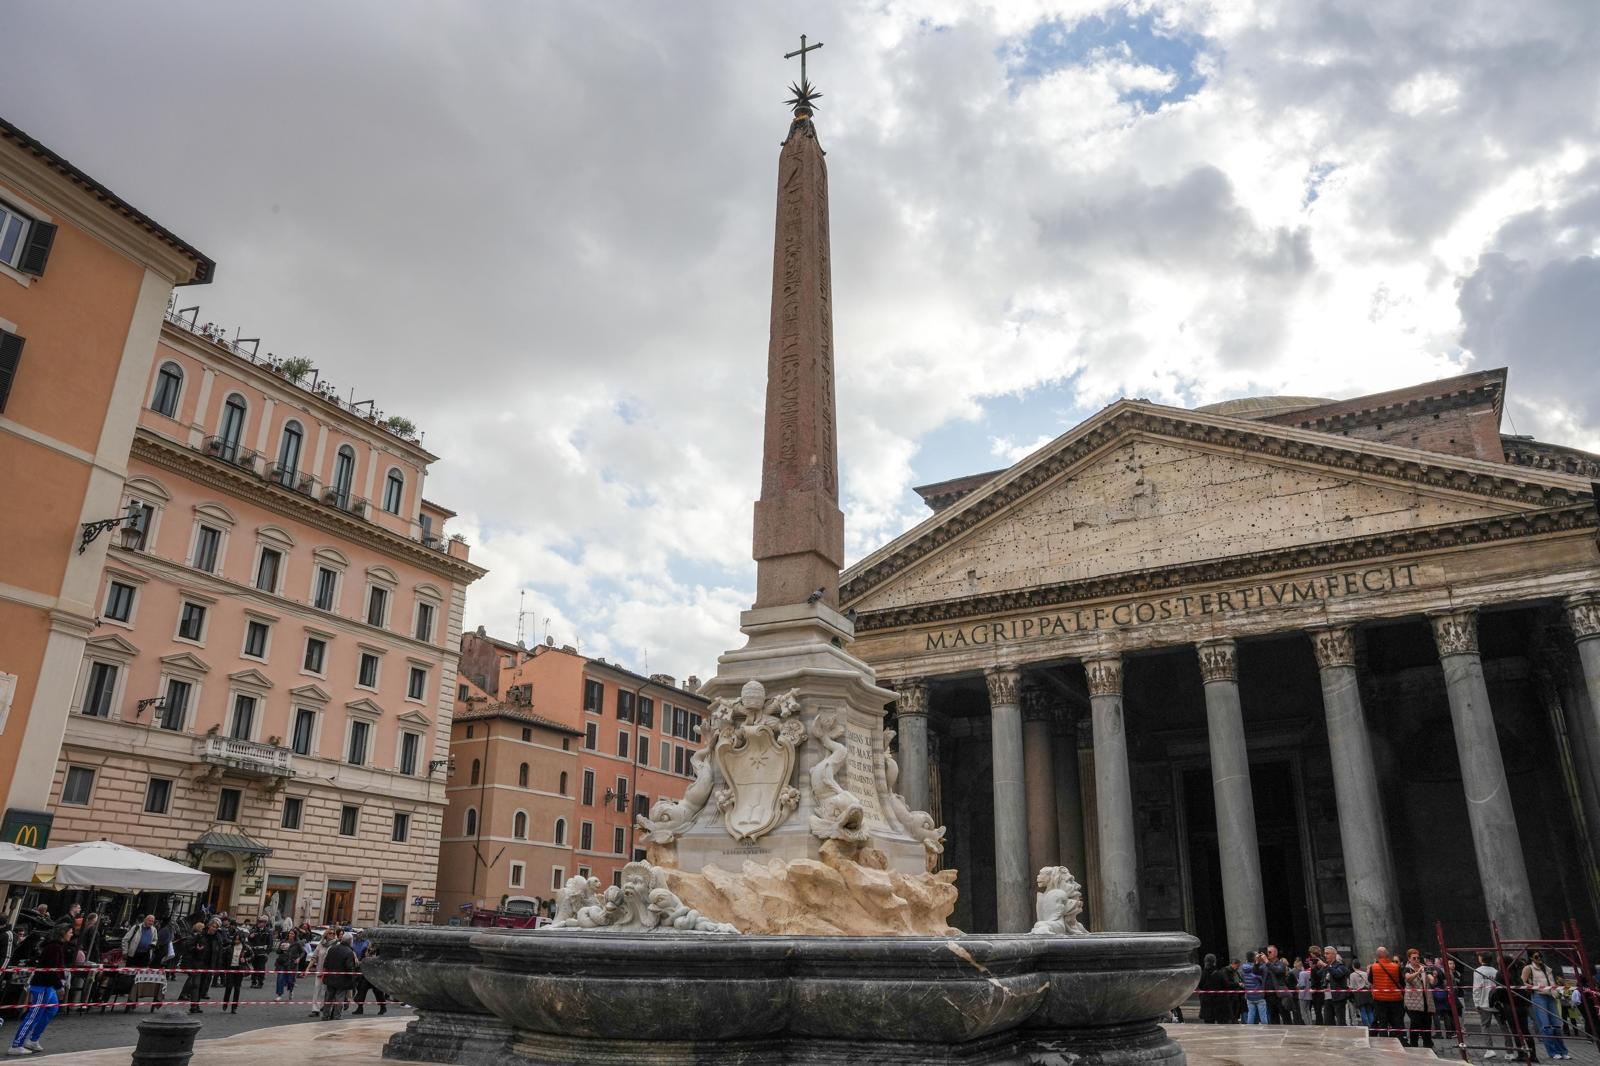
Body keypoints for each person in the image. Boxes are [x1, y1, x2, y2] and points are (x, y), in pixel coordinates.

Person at [10, 925, 69, 1055]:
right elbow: (52, 968)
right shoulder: (54, 947)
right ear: (62, 933)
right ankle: (16, 1044)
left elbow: (58, 966)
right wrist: (60, 985)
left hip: (48, 985)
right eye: (69, 932)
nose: (71, 934)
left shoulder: (56, 946)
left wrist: (61, 982)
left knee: (52, 1008)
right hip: (42, 985)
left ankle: (32, 1039)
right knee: (34, 1014)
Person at [1522, 949, 1570, 1060]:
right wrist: (1534, 986)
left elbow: (1553, 981)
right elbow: (1522, 982)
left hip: (1551, 996)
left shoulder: (1547, 968)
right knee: (1546, 1026)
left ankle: (1563, 1051)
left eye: (1540, 956)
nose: (1539, 958)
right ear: (1531, 958)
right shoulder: (1528, 968)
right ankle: (1553, 1052)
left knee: (1557, 1025)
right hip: (1539, 996)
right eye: (1536, 956)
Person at [1368, 946, 1405, 1042]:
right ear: (1388, 955)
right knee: (1396, 1022)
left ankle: (1384, 1042)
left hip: (1379, 999)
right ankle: (1399, 1041)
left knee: (1382, 1023)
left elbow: (1370, 980)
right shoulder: (1396, 967)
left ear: (1377, 956)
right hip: (1395, 999)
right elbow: (1402, 982)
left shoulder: (1373, 967)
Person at [319, 933, 359, 1020]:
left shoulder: (332, 948)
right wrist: (353, 979)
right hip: (342, 979)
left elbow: (325, 963)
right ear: (350, 941)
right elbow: (349, 967)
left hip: (330, 977)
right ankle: (337, 1016)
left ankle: (325, 1015)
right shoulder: (349, 952)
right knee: (339, 998)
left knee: (328, 998)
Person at [1403, 947, 1434, 1048]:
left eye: (1418, 958)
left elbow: (1432, 980)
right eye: (1414, 958)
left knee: (1427, 1024)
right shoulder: (1407, 968)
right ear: (1409, 959)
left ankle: (1428, 1044)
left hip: (1426, 1001)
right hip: (1413, 1002)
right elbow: (1408, 978)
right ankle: (1414, 1045)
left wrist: (1434, 977)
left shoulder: (1424, 967)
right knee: (1415, 1024)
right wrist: (1418, 972)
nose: (1417, 960)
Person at [178, 922, 212, 1014]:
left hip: (199, 964)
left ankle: (192, 1001)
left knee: (194, 982)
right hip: (193, 963)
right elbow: (188, 947)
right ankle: (188, 998)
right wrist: (196, 949)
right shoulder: (195, 937)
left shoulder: (203, 937)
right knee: (194, 982)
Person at [351, 934, 387, 1016]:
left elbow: (382, 962)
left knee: (378, 992)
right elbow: (362, 959)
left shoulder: (380, 951)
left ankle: (383, 1007)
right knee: (361, 990)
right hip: (366, 974)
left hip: (376, 975)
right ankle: (360, 1008)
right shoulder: (366, 950)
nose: (372, 943)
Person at [218, 927, 247, 1015]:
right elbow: (223, 958)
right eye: (235, 940)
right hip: (231, 968)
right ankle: (225, 1002)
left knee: (237, 988)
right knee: (229, 987)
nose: (236, 941)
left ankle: (234, 1007)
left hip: (239, 969)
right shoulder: (229, 947)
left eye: (238, 940)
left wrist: (245, 959)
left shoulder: (245, 948)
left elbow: (252, 956)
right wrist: (223, 968)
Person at [1324, 945, 1349, 1026]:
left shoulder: (1341, 966)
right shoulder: (1327, 967)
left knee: (1340, 1021)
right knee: (1328, 1022)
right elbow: (1318, 975)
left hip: (1338, 998)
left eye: (1327, 953)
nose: (1325, 955)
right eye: (1325, 953)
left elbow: (1337, 974)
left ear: (1334, 954)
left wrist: (1326, 966)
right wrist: (1314, 967)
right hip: (1328, 997)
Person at [1240, 951, 1268, 1024]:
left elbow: (1243, 980)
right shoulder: (1259, 967)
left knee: (1251, 1014)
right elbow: (1262, 977)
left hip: (1249, 995)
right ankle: (1266, 1030)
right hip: (1259, 995)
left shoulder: (1243, 968)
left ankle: (1250, 1030)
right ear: (1254, 958)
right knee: (1263, 1015)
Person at [1347, 959, 1372, 1028]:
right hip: (1367, 993)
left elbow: (1352, 987)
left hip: (1359, 995)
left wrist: (1348, 987)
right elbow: (1369, 984)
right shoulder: (1365, 973)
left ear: (1353, 966)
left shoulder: (1352, 975)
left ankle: (1367, 1027)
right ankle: (1373, 1027)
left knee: (1362, 1011)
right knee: (1369, 1011)